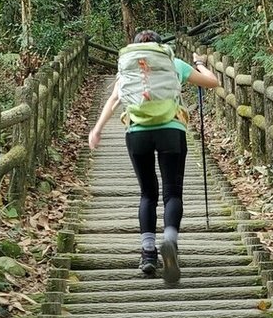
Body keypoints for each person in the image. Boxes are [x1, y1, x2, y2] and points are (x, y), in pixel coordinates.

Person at [88, 29, 219, 284]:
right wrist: (200, 64)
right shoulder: (173, 63)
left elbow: (114, 100)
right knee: (173, 192)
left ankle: (148, 253)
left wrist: (97, 130)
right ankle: (169, 241)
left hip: (137, 134)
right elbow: (212, 82)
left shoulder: (129, 69)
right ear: (160, 48)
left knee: (148, 193)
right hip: (171, 130)